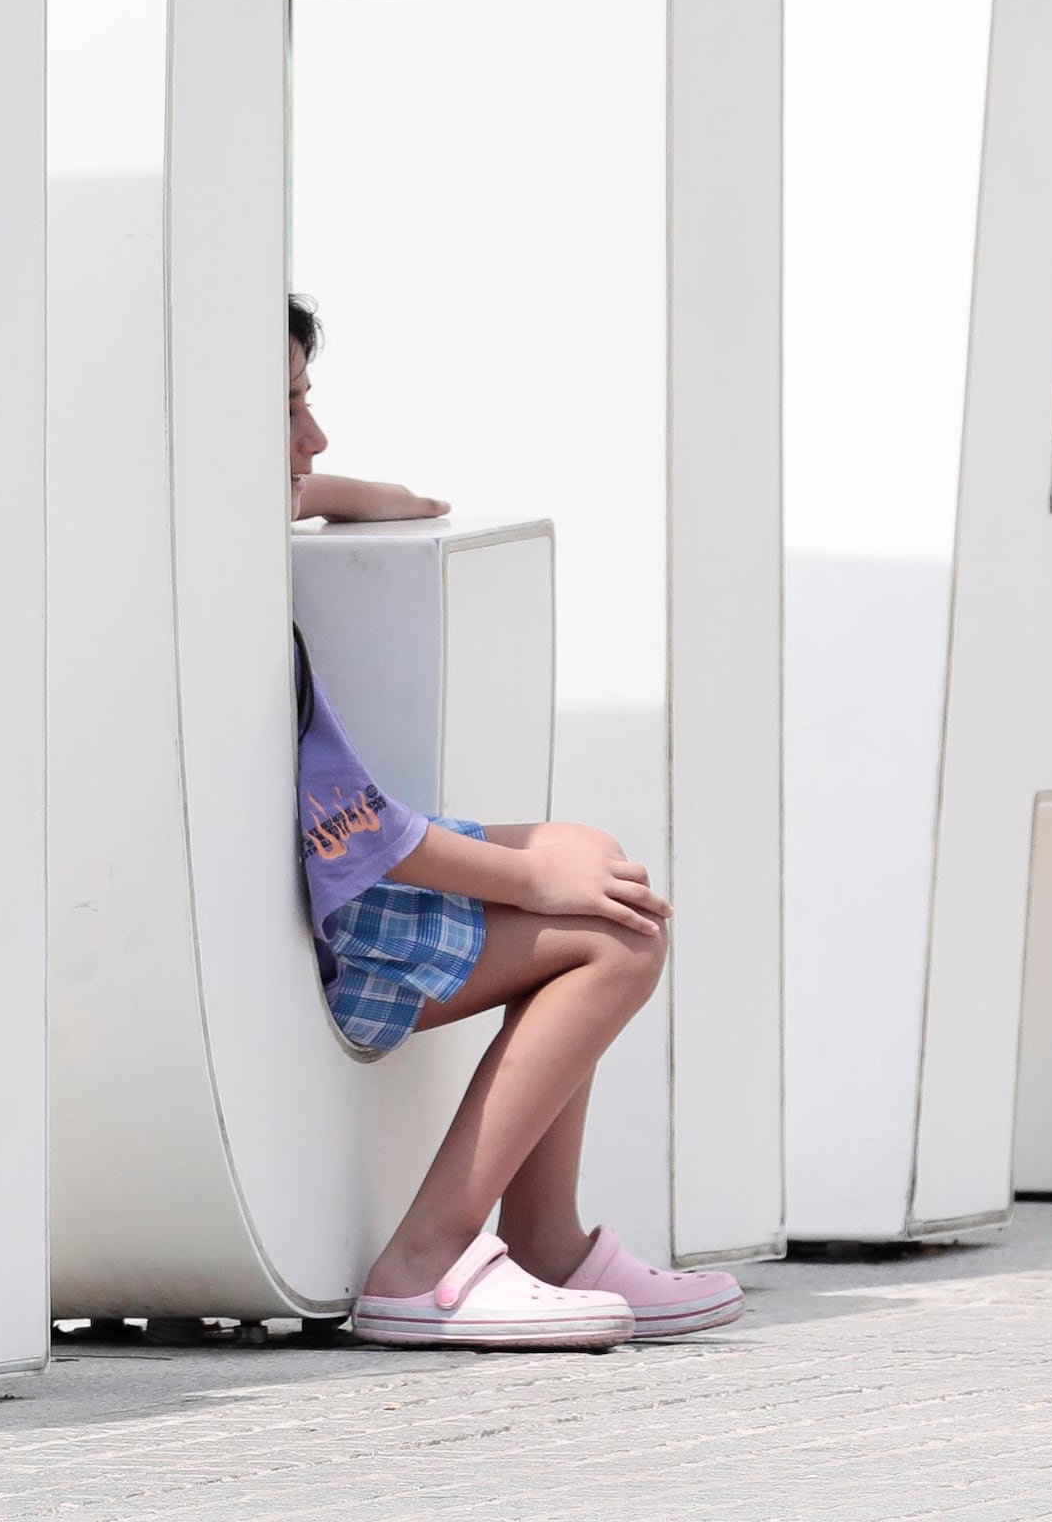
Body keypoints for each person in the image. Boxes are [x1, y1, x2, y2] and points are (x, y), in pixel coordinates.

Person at [287, 298, 741, 1350]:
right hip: (332, 901)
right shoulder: (212, 598)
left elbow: (302, 489)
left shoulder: (198, 542)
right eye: (290, 409)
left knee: (585, 849)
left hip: (337, 868)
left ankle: (542, 1239)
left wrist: (360, 495)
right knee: (614, 934)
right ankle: (420, 1262)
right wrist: (531, 889)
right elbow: (344, 831)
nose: (313, 440)